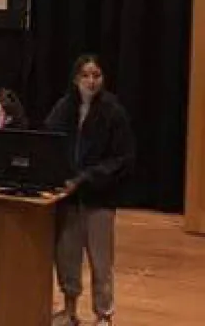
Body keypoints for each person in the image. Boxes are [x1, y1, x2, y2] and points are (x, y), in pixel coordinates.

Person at [45, 55, 135, 326]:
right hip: (68, 199)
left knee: (101, 261)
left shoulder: (113, 111)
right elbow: (49, 143)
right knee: (67, 257)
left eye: (97, 75)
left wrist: (85, 178)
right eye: (86, 75)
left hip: (99, 199)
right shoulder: (63, 108)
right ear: (76, 79)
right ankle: (69, 310)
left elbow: (122, 159)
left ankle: (103, 315)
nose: (91, 81)